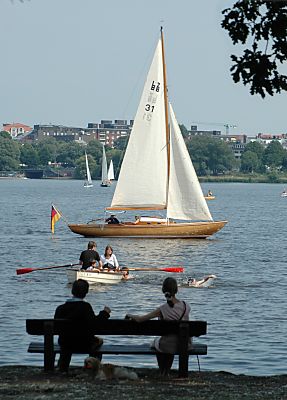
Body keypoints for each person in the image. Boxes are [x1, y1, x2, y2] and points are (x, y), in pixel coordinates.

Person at [125, 277, 190, 376]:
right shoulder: (186, 306)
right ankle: (166, 371)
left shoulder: (162, 309)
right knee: (170, 341)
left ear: (163, 290)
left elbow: (140, 319)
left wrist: (129, 315)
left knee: (158, 343)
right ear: (176, 290)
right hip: (184, 344)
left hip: (167, 345)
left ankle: (163, 371)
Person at [54, 279, 111, 372]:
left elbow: (57, 327)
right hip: (84, 343)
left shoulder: (60, 308)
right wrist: (105, 313)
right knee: (99, 341)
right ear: (86, 292)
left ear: (72, 291)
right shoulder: (85, 307)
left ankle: (62, 367)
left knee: (68, 338)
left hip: (65, 343)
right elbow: (95, 324)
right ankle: (93, 368)